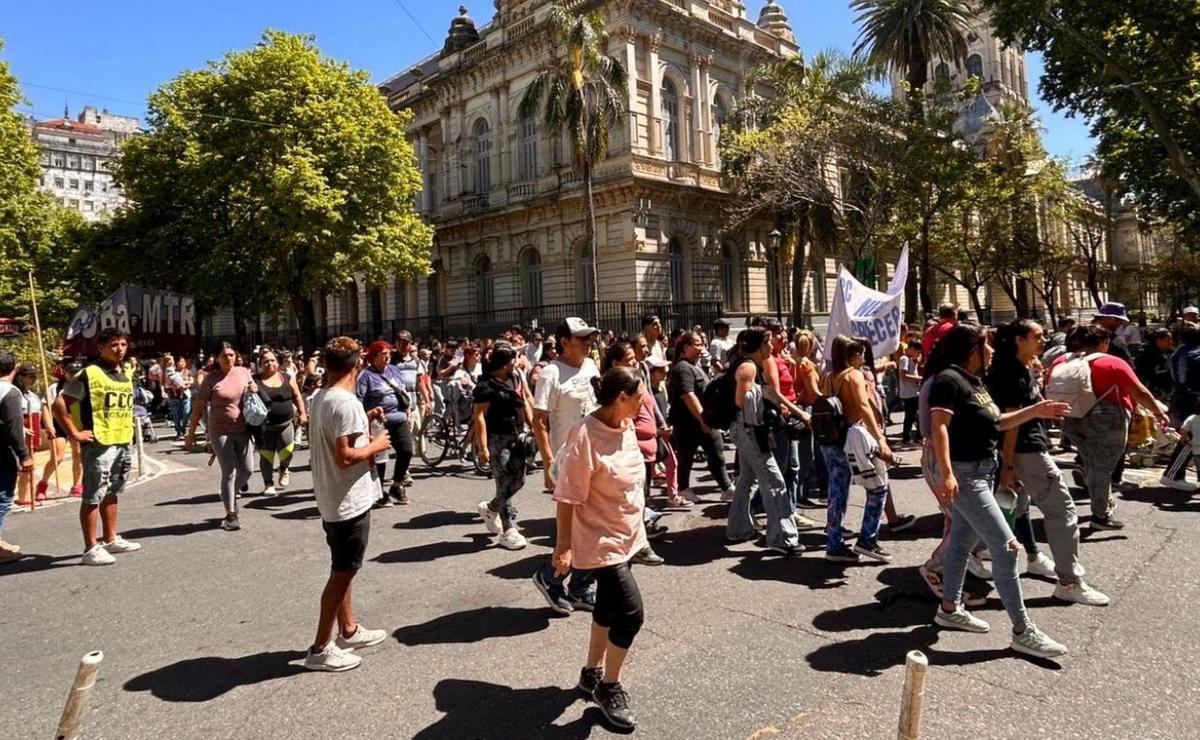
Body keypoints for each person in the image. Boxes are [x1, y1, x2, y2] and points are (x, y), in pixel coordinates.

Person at [928, 323, 1073, 658]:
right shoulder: (949, 379)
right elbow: (940, 427)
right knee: (1007, 549)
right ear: (971, 349)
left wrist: (1036, 410)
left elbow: (997, 422)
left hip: (983, 470)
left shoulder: (976, 382)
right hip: (966, 475)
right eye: (986, 345)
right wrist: (947, 473)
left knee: (962, 543)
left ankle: (949, 609)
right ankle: (1023, 631)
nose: (992, 350)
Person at [551, 366, 649, 731]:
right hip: (599, 542)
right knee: (631, 614)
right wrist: (563, 547)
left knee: (608, 608)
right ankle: (610, 687)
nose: (645, 402)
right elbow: (566, 497)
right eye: (640, 396)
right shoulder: (584, 436)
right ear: (621, 397)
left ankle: (590, 674)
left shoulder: (625, 426)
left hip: (627, 537)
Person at [987, 320, 1110, 605]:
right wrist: (1008, 465)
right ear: (1019, 339)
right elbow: (1010, 424)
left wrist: (1043, 412)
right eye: (1037, 336)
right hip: (1026, 452)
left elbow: (1022, 414)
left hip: (1022, 450)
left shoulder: (1020, 367)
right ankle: (1069, 580)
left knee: (1010, 509)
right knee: (1062, 510)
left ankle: (957, 560)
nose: (1043, 340)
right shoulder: (1011, 371)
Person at [303, 337, 390, 672]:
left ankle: (348, 629)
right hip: (346, 500)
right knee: (343, 572)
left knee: (344, 567)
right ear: (358, 365)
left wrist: (364, 419)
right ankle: (320, 648)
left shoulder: (321, 397)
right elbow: (346, 456)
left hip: (331, 496)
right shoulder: (345, 403)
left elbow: (338, 437)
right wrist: (378, 443)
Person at [1057, 325, 1168, 529]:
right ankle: (1100, 517)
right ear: (1104, 342)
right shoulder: (1112, 362)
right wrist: (1159, 412)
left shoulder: (1062, 361)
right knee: (1102, 468)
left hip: (1072, 418)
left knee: (1092, 463)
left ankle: (1104, 505)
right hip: (1107, 419)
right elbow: (1139, 392)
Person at [52, 328, 142, 566]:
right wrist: (74, 433)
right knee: (93, 495)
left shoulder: (124, 372)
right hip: (99, 444)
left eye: (123, 344)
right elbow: (60, 403)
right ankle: (90, 547)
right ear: (100, 348)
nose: (120, 349)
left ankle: (110, 538)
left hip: (122, 440)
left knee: (113, 491)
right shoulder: (89, 374)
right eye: (113, 344)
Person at [531, 317, 602, 613]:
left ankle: (580, 587)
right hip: (566, 460)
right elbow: (539, 422)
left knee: (593, 526)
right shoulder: (551, 372)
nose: (588, 342)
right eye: (582, 337)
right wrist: (548, 463)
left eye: (589, 337)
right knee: (572, 530)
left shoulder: (590, 366)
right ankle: (551, 578)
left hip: (594, 456)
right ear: (564, 342)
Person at [725, 327, 802, 555]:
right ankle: (782, 538)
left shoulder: (753, 366)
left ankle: (738, 529)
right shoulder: (748, 367)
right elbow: (741, 401)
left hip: (747, 430)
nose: (771, 347)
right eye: (767, 343)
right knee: (775, 482)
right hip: (750, 431)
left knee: (748, 479)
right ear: (759, 346)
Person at [819, 336, 895, 563]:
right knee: (878, 486)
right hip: (854, 439)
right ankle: (867, 539)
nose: (864, 357)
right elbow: (862, 406)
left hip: (832, 439)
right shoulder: (854, 375)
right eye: (860, 353)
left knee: (837, 492)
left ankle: (834, 544)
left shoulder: (829, 377)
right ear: (850, 356)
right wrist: (880, 438)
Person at [186, 342, 255, 532]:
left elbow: (252, 392)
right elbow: (199, 406)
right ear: (217, 357)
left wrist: (254, 389)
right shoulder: (211, 379)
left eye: (231, 355)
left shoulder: (244, 372)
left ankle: (230, 492)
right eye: (224, 355)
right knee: (230, 471)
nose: (228, 358)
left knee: (248, 470)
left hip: (243, 428)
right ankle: (231, 514)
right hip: (220, 431)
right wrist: (191, 433)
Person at [473, 344, 535, 550]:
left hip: (517, 436)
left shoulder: (515, 377)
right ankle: (508, 530)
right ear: (505, 362)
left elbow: (524, 401)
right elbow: (479, 417)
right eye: (514, 359)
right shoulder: (486, 386)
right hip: (497, 439)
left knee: (519, 480)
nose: (517, 362)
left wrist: (534, 424)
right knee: (504, 481)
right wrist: (483, 447)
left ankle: (491, 508)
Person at [668, 332, 733, 501]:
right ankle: (683, 488)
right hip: (688, 422)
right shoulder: (683, 367)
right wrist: (702, 418)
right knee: (686, 455)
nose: (701, 348)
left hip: (702, 420)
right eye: (697, 344)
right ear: (685, 347)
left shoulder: (694, 365)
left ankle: (726, 487)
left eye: (702, 344)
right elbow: (688, 395)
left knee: (716, 450)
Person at [357, 341, 415, 506]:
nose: (388, 356)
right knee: (380, 458)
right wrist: (368, 415)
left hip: (399, 418)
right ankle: (378, 491)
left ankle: (396, 485)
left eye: (389, 352)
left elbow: (402, 392)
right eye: (383, 353)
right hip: (378, 421)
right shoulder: (365, 375)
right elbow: (359, 400)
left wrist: (408, 411)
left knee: (406, 451)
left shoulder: (394, 370)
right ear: (374, 356)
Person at [254, 349, 306, 495]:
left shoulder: (287, 378)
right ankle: (268, 484)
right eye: (265, 361)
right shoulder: (255, 380)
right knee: (266, 455)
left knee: (288, 450)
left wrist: (302, 413)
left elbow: (297, 396)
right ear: (260, 364)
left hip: (286, 423)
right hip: (264, 426)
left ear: (277, 362)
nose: (269, 363)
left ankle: (284, 468)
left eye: (272, 360)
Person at [1159, 323, 1200, 491]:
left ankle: (1174, 474)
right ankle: (1173, 475)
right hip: (1194, 399)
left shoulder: (1178, 353)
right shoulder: (1197, 355)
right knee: (1190, 438)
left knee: (1190, 436)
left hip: (1181, 396)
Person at [0, 353, 31, 563]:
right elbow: (13, 428)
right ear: (16, 367)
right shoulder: (10, 392)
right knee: (2, 498)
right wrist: (24, 454)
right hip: (1, 453)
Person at [14, 364, 55, 504]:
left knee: (30, 464)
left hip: (34, 429)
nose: (34, 379)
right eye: (30, 376)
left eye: (35, 376)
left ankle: (25, 495)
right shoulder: (15, 394)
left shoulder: (32, 395)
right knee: (21, 465)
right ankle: (21, 495)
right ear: (20, 377)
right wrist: (22, 428)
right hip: (21, 431)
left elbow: (40, 412)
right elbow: (10, 416)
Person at [1135, 327, 1175, 400]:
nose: (1171, 342)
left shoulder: (1163, 353)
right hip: (1153, 393)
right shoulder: (1147, 355)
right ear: (1159, 340)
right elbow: (1146, 376)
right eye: (1168, 340)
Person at [898, 341, 923, 446]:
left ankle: (918, 436)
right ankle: (906, 437)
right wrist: (920, 378)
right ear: (911, 348)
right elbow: (904, 376)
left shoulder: (912, 360)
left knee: (918, 415)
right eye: (916, 351)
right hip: (909, 393)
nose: (917, 354)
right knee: (910, 416)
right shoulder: (904, 359)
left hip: (914, 392)